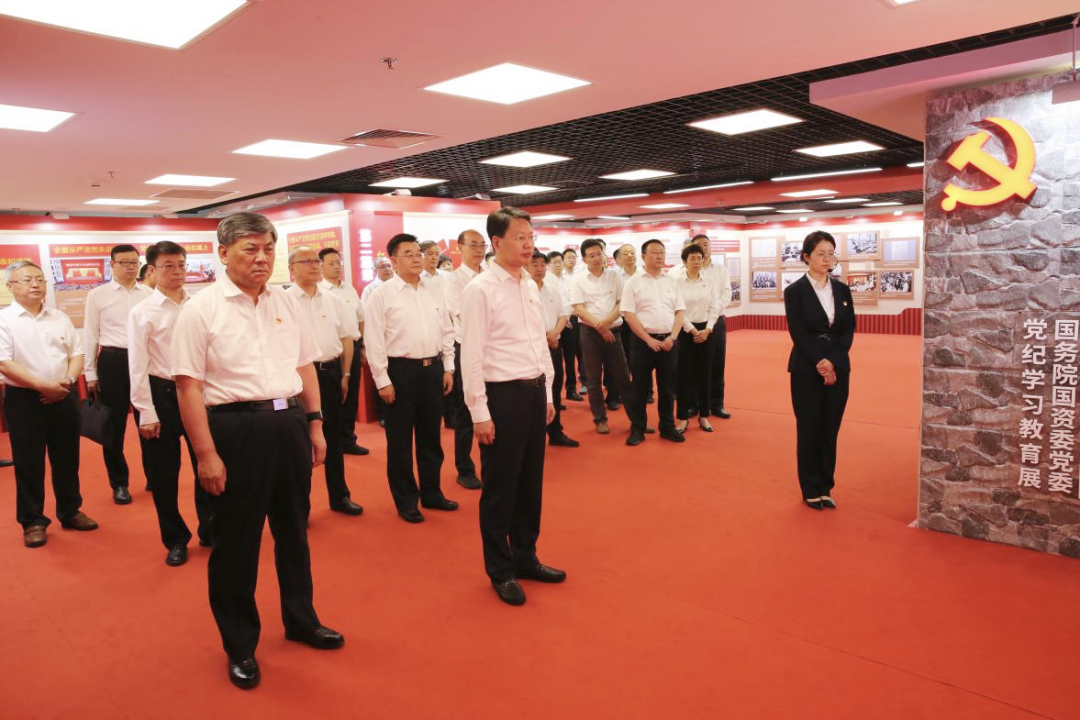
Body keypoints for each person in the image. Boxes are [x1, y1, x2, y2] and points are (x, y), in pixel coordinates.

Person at [172, 212, 343, 690]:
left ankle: (302, 620)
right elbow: (188, 388)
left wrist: (315, 424)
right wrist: (206, 454)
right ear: (223, 253)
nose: (262, 258)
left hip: (288, 424)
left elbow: (304, 366)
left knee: (294, 532)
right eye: (250, 248)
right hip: (234, 429)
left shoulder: (285, 301)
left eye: (269, 248)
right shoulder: (201, 310)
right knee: (237, 543)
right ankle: (240, 645)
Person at [460, 207, 564, 606]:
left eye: (531, 237)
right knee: (501, 489)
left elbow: (538, 343)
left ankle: (526, 556)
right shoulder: (481, 289)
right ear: (497, 242)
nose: (528, 245)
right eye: (520, 237)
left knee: (530, 484)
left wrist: (548, 394)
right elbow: (471, 355)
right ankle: (500, 570)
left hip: (534, 393)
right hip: (501, 397)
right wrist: (479, 413)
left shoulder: (528, 284)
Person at [0, 261, 98, 548]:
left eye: (40, 279)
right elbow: (5, 363)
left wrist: (66, 382)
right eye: (27, 279)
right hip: (24, 400)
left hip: (64, 394)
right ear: (10, 286)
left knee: (67, 458)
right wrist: (42, 386)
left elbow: (76, 354)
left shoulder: (59, 317)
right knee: (28, 462)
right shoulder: (4, 320)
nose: (35, 284)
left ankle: (70, 511)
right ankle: (33, 521)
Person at [127, 241, 212, 566]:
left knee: (207, 461)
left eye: (181, 265)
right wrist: (145, 411)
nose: (177, 272)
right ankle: (175, 539)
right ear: (152, 270)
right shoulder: (142, 312)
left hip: (198, 392)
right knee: (164, 474)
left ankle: (210, 528)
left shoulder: (199, 305)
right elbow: (137, 364)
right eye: (168, 266)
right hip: (161, 394)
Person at [364, 233, 457, 523]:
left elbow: (447, 330)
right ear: (393, 260)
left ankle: (432, 493)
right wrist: (382, 380)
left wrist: (448, 367)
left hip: (433, 370)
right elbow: (374, 340)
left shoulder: (434, 290)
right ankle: (406, 500)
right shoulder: (381, 295)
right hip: (400, 372)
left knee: (431, 437)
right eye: (409, 254)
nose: (417, 258)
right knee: (401, 442)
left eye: (418, 253)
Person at [288, 246, 363, 516]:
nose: (314, 265)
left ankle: (340, 496)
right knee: (300, 442)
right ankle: (300, 507)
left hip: (330, 373)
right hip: (297, 378)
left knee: (332, 435)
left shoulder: (333, 300)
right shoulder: (284, 301)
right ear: (292, 269)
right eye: (306, 261)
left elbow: (347, 338)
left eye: (316, 261)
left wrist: (345, 374)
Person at [783, 230, 855, 511]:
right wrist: (821, 362)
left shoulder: (842, 290)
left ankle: (825, 486)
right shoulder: (795, 291)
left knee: (830, 429)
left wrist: (833, 361)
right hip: (806, 368)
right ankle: (810, 487)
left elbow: (848, 330)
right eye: (821, 254)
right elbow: (799, 333)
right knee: (809, 428)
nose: (827, 259)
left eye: (831, 253)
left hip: (839, 366)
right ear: (806, 257)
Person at [84, 244, 154, 504]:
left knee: (149, 419)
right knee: (113, 426)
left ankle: (154, 475)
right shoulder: (97, 295)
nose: (130, 267)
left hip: (146, 361)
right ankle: (119, 483)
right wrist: (90, 373)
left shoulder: (148, 293)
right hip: (113, 360)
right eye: (124, 262)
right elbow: (90, 334)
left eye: (134, 262)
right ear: (112, 264)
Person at [620, 239, 686, 446]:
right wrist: (648, 339)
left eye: (662, 252)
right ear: (643, 256)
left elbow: (680, 311)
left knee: (668, 387)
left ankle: (667, 427)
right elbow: (628, 314)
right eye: (655, 252)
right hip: (642, 342)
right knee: (639, 387)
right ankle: (638, 428)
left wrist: (672, 337)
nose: (659, 256)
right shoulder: (634, 282)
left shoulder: (672, 281)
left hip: (668, 341)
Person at [570, 238, 635, 436]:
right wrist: (600, 327)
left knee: (623, 377)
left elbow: (621, 303)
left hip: (613, 332)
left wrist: (605, 324)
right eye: (592, 255)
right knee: (593, 380)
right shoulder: (578, 280)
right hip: (589, 334)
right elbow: (579, 309)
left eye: (599, 253)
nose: (597, 258)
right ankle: (600, 419)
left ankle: (637, 420)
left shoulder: (614, 276)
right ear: (584, 259)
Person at [443, 229, 486, 490]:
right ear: (459, 248)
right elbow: (462, 316)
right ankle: (464, 468)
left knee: (493, 407)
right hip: (467, 348)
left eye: (482, 245)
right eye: (473, 245)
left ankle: (490, 463)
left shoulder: (490, 275)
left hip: (493, 349)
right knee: (466, 409)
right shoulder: (454, 281)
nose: (479, 250)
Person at [317, 247, 369, 456]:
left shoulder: (349, 289)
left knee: (351, 395)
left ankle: (348, 439)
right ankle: (327, 442)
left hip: (352, 347)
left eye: (338, 263)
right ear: (321, 266)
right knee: (330, 397)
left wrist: (362, 345)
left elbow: (361, 318)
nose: (336, 267)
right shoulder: (319, 291)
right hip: (331, 351)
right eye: (331, 263)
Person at [527, 251, 578, 448]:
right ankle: (534, 436)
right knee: (534, 394)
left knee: (555, 389)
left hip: (553, 344)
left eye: (543, 264)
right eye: (535, 264)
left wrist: (555, 333)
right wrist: (544, 339)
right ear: (525, 266)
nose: (540, 269)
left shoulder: (552, 288)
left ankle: (555, 431)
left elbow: (563, 314)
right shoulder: (521, 290)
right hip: (531, 350)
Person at [674, 243, 720, 434]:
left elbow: (714, 307)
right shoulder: (676, 281)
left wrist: (708, 329)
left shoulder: (709, 281)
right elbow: (677, 309)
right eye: (692, 258)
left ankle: (704, 416)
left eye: (699, 258)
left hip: (706, 332)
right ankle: (683, 418)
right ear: (685, 261)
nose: (696, 261)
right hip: (685, 332)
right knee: (683, 376)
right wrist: (692, 330)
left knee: (705, 374)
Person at [693, 235, 733, 419]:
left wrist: (713, 314)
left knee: (717, 364)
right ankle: (694, 404)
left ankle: (716, 404)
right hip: (695, 323)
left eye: (706, 244)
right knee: (694, 364)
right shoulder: (687, 270)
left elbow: (726, 294)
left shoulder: (720, 270)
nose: (703, 247)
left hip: (716, 322)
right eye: (699, 245)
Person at [361, 256, 394, 428]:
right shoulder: (370, 290)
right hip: (380, 342)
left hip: (395, 343)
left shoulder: (397, 285)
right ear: (375, 270)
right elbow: (367, 317)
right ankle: (382, 415)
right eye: (382, 266)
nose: (387, 269)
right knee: (381, 379)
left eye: (389, 266)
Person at [555, 249, 583, 402]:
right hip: (554, 324)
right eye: (555, 263)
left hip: (571, 321)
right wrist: (561, 318)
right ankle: (555, 395)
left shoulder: (570, 280)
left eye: (560, 262)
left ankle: (571, 389)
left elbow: (575, 300)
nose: (558, 265)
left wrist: (567, 316)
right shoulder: (547, 281)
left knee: (571, 357)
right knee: (556, 361)